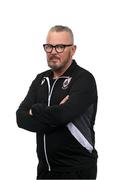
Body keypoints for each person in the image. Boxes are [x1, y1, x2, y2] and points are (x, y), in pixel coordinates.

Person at [16, 25, 98, 179]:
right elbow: (20, 118)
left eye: (60, 47)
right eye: (49, 47)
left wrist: (35, 110)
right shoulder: (40, 79)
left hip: (76, 171)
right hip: (44, 171)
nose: (53, 51)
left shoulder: (83, 79)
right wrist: (55, 114)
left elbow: (62, 116)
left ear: (72, 50)